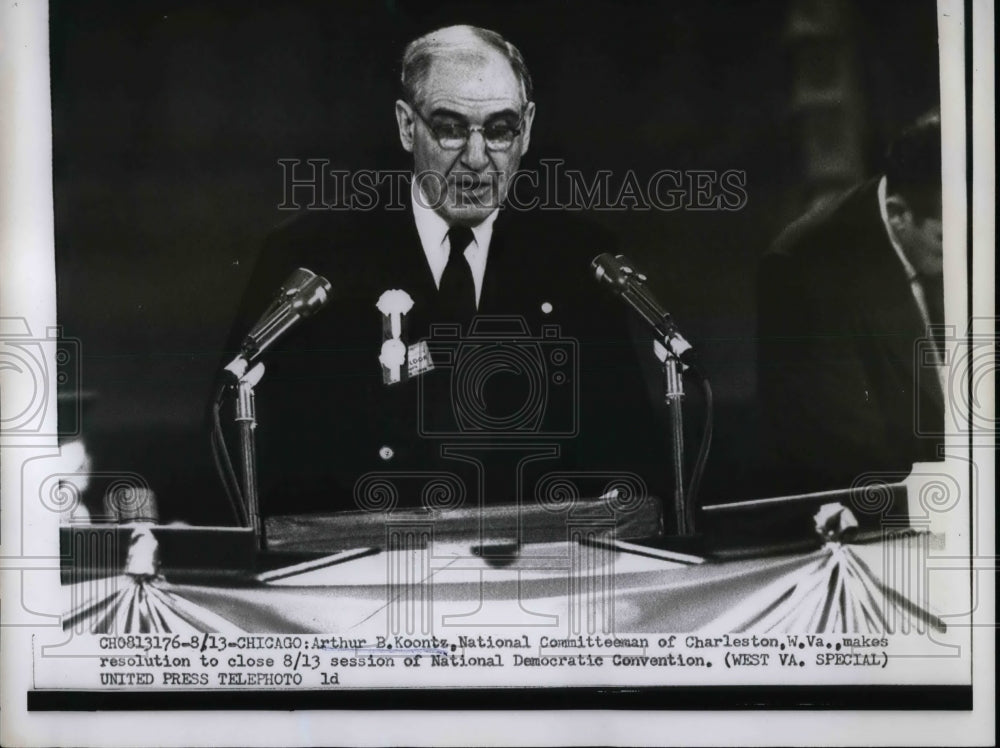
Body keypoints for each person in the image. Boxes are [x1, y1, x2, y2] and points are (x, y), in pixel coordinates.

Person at [222, 25, 666, 522]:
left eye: (500, 130)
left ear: (528, 128)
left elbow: (631, 473)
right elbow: (253, 468)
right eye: (451, 127)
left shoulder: (580, 261)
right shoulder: (314, 259)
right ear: (407, 126)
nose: (477, 160)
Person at [757, 110, 944, 497]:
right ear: (898, 215)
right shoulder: (804, 270)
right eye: (948, 238)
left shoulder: (953, 224)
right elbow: (843, 457)